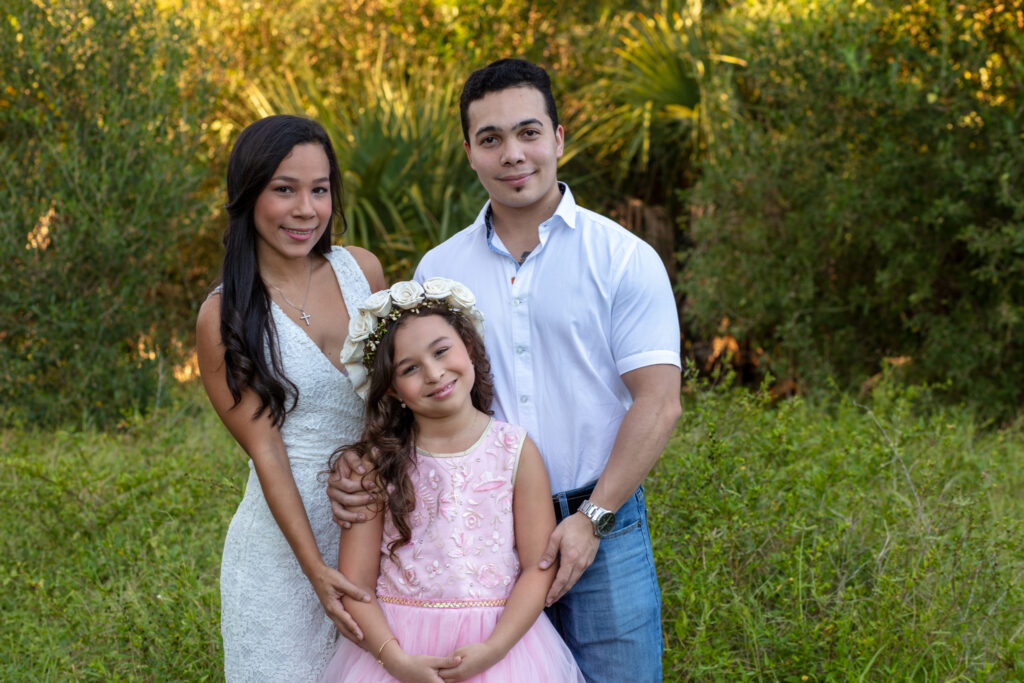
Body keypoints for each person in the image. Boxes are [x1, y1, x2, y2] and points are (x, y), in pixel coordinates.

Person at [330, 58, 682, 681]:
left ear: (558, 138)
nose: (513, 154)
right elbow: (410, 387)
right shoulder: (439, 271)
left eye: (528, 132)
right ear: (470, 152)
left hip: (600, 519)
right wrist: (358, 464)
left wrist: (591, 520)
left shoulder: (624, 258)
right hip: (471, 543)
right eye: (491, 139)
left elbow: (659, 403)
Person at [196, 114, 387, 681]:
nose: (306, 209)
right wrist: (315, 573)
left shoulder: (365, 273)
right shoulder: (224, 313)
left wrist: (375, 467)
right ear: (248, 194)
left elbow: (396, 400)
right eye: (285, 189)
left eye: (320, 189)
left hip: (372, 519)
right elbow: (267, 451)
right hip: (282, 551)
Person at [319, 279, 584, 683]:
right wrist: (395, 660)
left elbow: (538, 567)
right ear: (392, 390)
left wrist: (494, 649)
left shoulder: (515, 451)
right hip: (398, 650)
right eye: (410, 368)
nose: (434, 373)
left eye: (442, 351)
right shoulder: (377, 465)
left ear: (469, 349)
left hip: (500, 650)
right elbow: (356, 586)